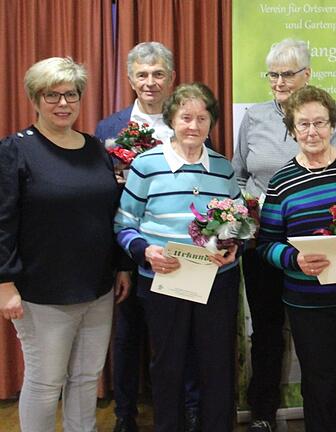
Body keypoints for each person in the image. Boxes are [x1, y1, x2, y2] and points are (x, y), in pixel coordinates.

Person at [0, 56, 130, 431]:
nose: (62, 103)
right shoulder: (15, 150)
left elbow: (112, 214)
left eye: (70, 94)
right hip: (42, 293)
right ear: (35, 99)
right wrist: (5, 284)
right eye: (51, 95)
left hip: (98, 287)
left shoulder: (94, 149)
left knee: (86, 378)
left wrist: (121, 266)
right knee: (45, 383)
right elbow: (3, 223)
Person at [256, 85, 336, 432]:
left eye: (320, 122)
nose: (312, 131)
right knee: (318, 384)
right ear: (292, 129)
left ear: (332, 125)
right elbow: (266, 243)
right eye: (303, 124)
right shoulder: (282, 183)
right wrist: (292, 259)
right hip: (309, 305)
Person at [231, 38, 336, 432]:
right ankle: (263, 411)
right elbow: (239, 174)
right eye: (273, 74)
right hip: (264, 241)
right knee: (265, 328)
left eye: (287, 74)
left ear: (306, 75)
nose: (279, 82)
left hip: (315, 243)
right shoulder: (254, 116)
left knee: (318, 330)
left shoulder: (326, 115)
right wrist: (250, 205)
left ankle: (323, 414)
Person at [114, 83, 241, 432]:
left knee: (216, 365)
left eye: (202, 118)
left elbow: (240, 222)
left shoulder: (223, 168)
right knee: (167, 365)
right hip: (163, 279)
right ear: (172, 119)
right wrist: (145, 252)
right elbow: (124, 224)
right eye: (186, 117)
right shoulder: (146, 164)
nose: (194, 126)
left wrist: (233, 247)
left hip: (216, 282)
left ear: (211, 123)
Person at [95, 40, 201, 432]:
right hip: (129, 248)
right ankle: (126, 414)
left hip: (181, 250)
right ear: (130, 79)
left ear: (172, 78)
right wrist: (122, 262)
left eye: (158, 74)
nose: (151, 82)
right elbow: (101, 194)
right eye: (142, 74)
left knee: (183, 335)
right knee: (128, 336)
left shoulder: (189, 119)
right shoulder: (110, 128)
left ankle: (189, 409)